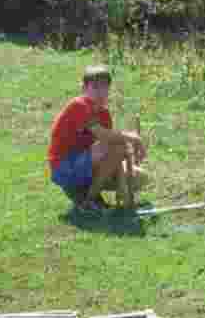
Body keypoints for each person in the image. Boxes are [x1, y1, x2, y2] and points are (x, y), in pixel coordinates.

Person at [48, 64, 148, 212]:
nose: (100, 92)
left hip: (85, 164)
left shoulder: (104, 114)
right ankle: (88, 200)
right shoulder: (79, 105)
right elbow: (104, 135)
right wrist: (134, 138)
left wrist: (122, 185)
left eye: (104, 87)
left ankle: (92, 197)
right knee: (118, 145)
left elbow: (114, 153)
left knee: (139, 176)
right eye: (95, 87)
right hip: (64, 167)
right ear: (84, 89)